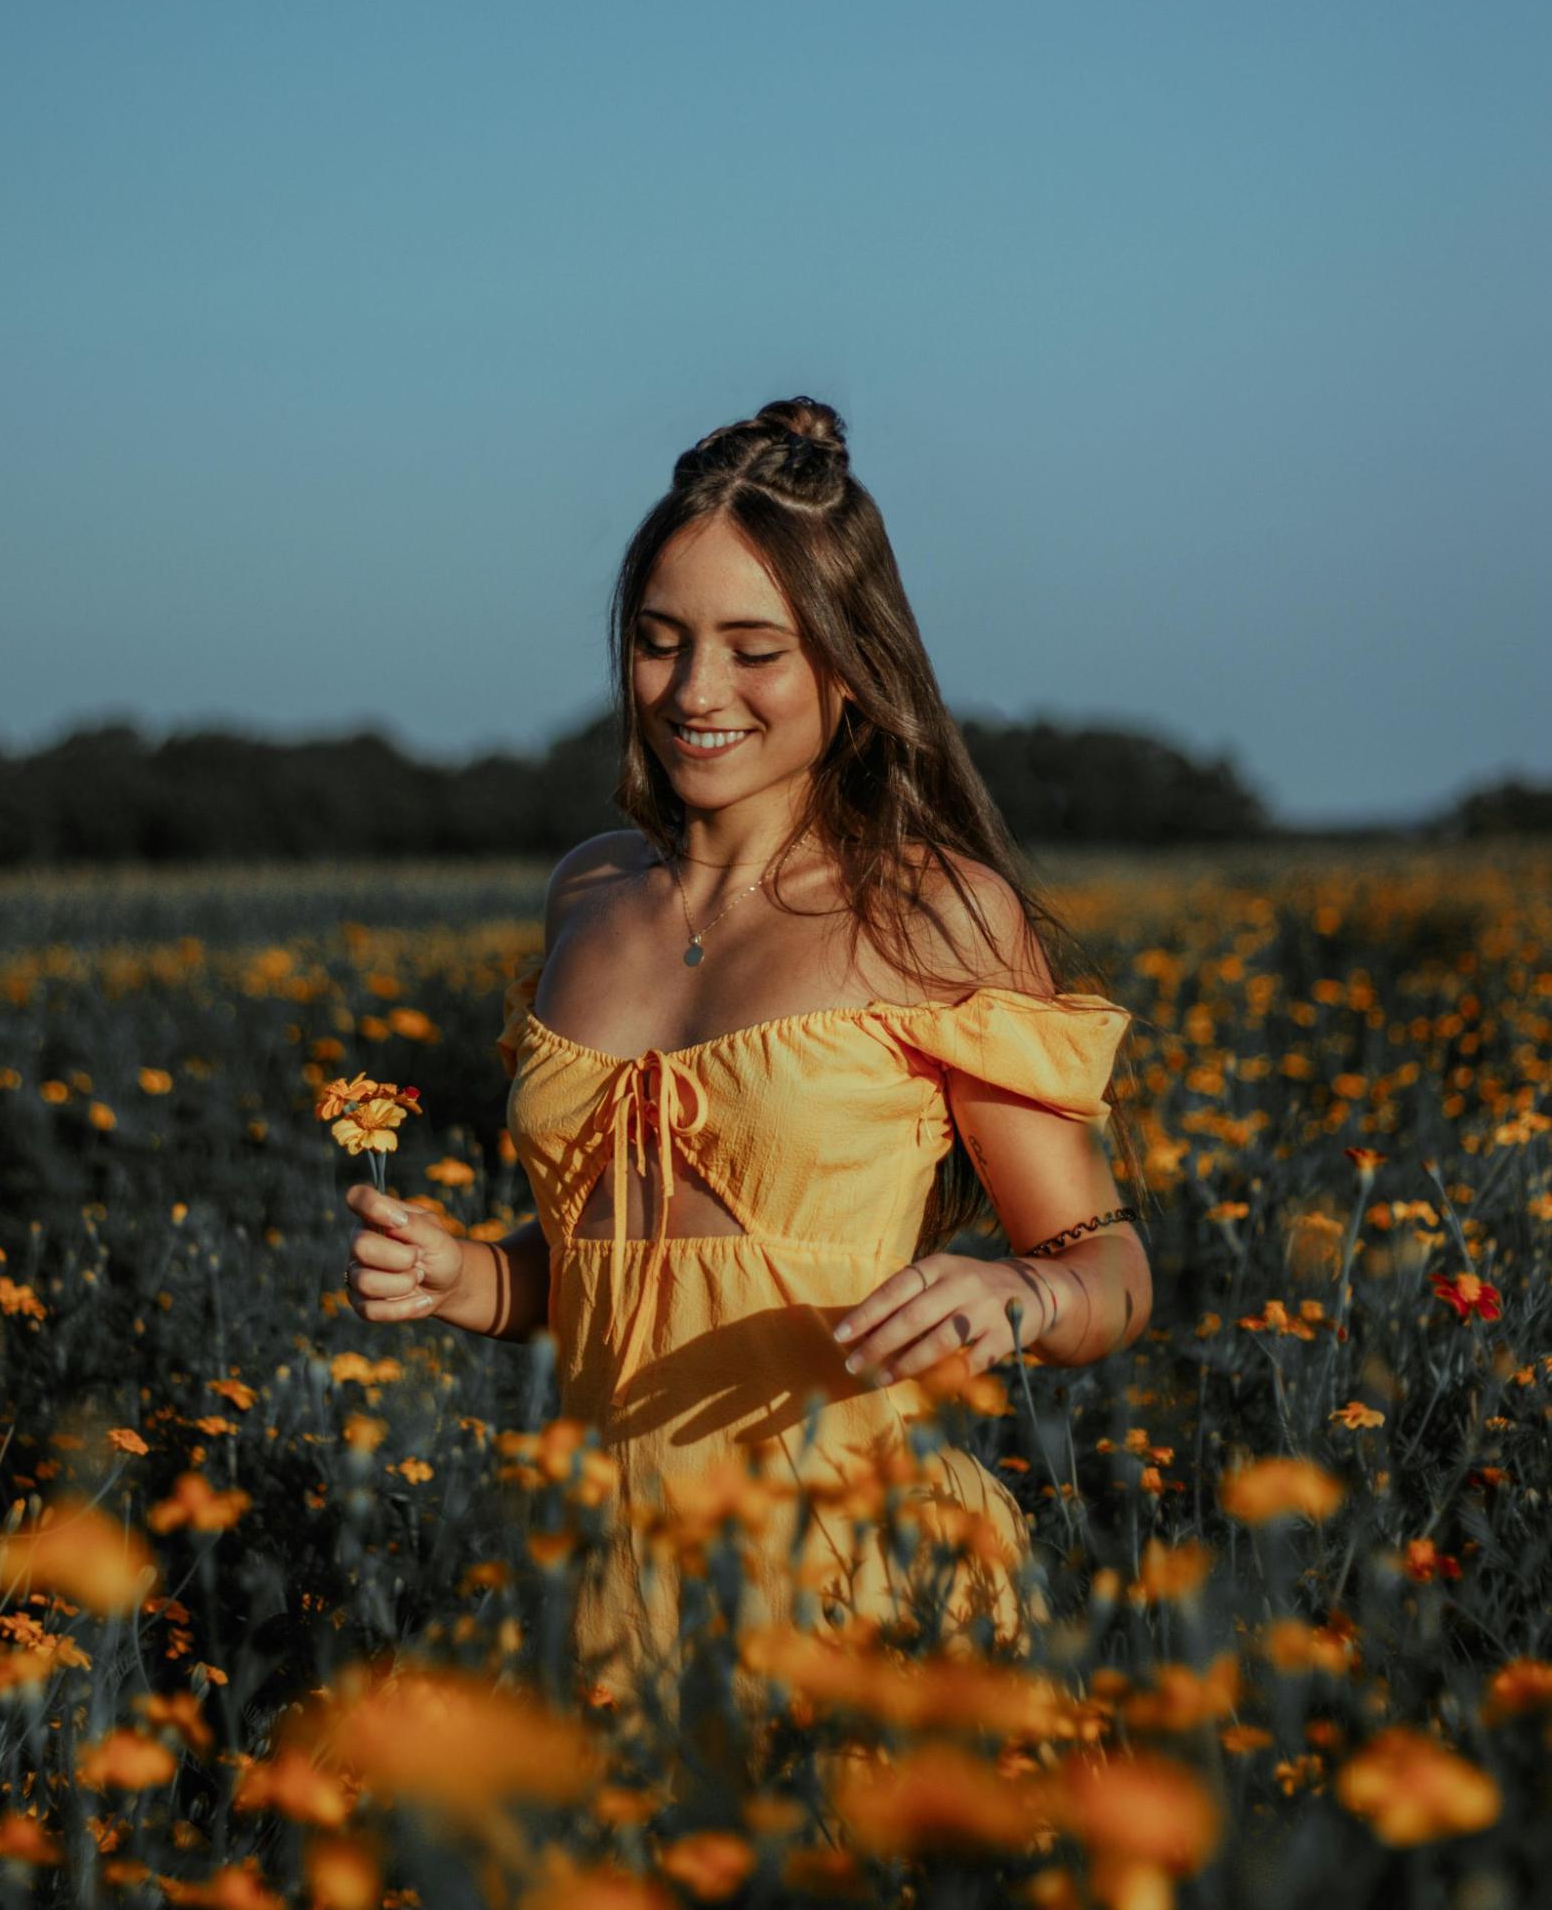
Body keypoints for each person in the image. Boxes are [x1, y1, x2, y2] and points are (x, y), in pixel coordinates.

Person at [343, 395, 1152, 1749]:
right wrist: (471, 1279)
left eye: (752, 649)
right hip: (592, 1589)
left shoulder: (935, 914)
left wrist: (1021, 1293)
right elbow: (624, 1275)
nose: (694, 692)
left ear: (850, 664)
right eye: (659, 644)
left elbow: (1107, 1265)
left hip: (857, 1588)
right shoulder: (587, 898)